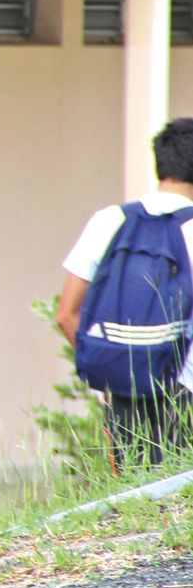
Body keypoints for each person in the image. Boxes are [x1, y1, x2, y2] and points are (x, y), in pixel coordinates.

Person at [57, 118, 193, 468]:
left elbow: (66, 315)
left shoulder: (109, 220)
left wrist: (110, 376)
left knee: (134, 501)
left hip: (122, 387)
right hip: (185, 388)